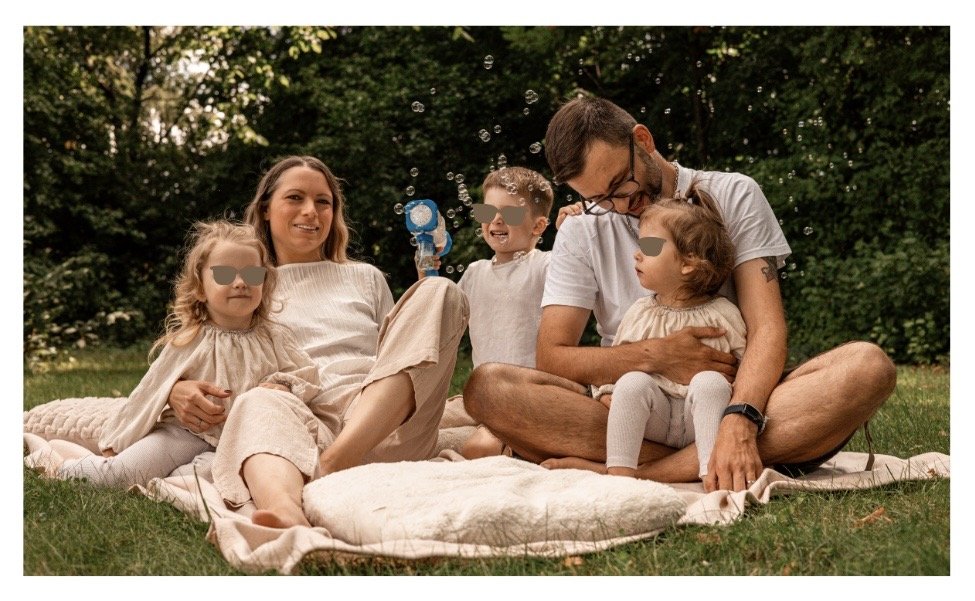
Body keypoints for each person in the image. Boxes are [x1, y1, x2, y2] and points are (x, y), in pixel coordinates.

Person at [463, 96, 896, 492]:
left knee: (867, 367)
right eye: (599, 199)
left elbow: (767, 327)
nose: (620, 206)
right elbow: (554, 356)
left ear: (643, 141)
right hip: (634, 408)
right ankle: (718, 458)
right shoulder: (581, 228)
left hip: (730, 396)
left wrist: (741, 417)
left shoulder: (733, 193)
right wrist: (656, 356)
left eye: (621, 184)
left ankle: (645, 467)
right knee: (490, 388)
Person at [168, 156, 469, 528]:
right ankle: (285, 512)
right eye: (295, 198)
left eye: (323, 202)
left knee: (440, 291)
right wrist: (174, 390)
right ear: (265, 209)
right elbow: (203, 349)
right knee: (257, 399)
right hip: (302, 430)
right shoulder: (245, 285)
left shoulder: (366, 277)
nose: (311, 211)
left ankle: (334, 465)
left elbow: (400, 358)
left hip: (386, 426)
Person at [24, 221, 327, 489]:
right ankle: (59, 463)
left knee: (219, 481)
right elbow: (151, 389)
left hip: (242, 443)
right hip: (184, 433)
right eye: (224, 274)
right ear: (201, 288)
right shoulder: (190, 339)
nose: (240, 282)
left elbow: (307, 375)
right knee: (117, 476)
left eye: (252, 273)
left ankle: (170, 477)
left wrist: (283, 385)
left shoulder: (274, 337)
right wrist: (117, 439)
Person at [543, 186, 745, 479]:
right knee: (632, 382)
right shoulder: (640, 313)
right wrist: (608, 393)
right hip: (654, 418)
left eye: (649, 247)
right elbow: (617, 361)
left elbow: (746, 366)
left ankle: (712, 472)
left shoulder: (724, 315)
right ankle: (620, 474)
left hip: (701, 419)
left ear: (687, 263)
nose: (637, 255)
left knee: (711, 383)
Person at [453, 167, 553, 458]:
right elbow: (442, 321)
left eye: (509, 213)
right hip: (483, 398)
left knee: (478, 448)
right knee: (412, 427)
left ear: (538, 226)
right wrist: (427, 267)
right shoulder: (475, 273)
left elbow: (578, 264)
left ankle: (516, 446)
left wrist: (573, 228)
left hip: (528, 394)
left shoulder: (545, 266)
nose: (496, 220)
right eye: (488, 212)